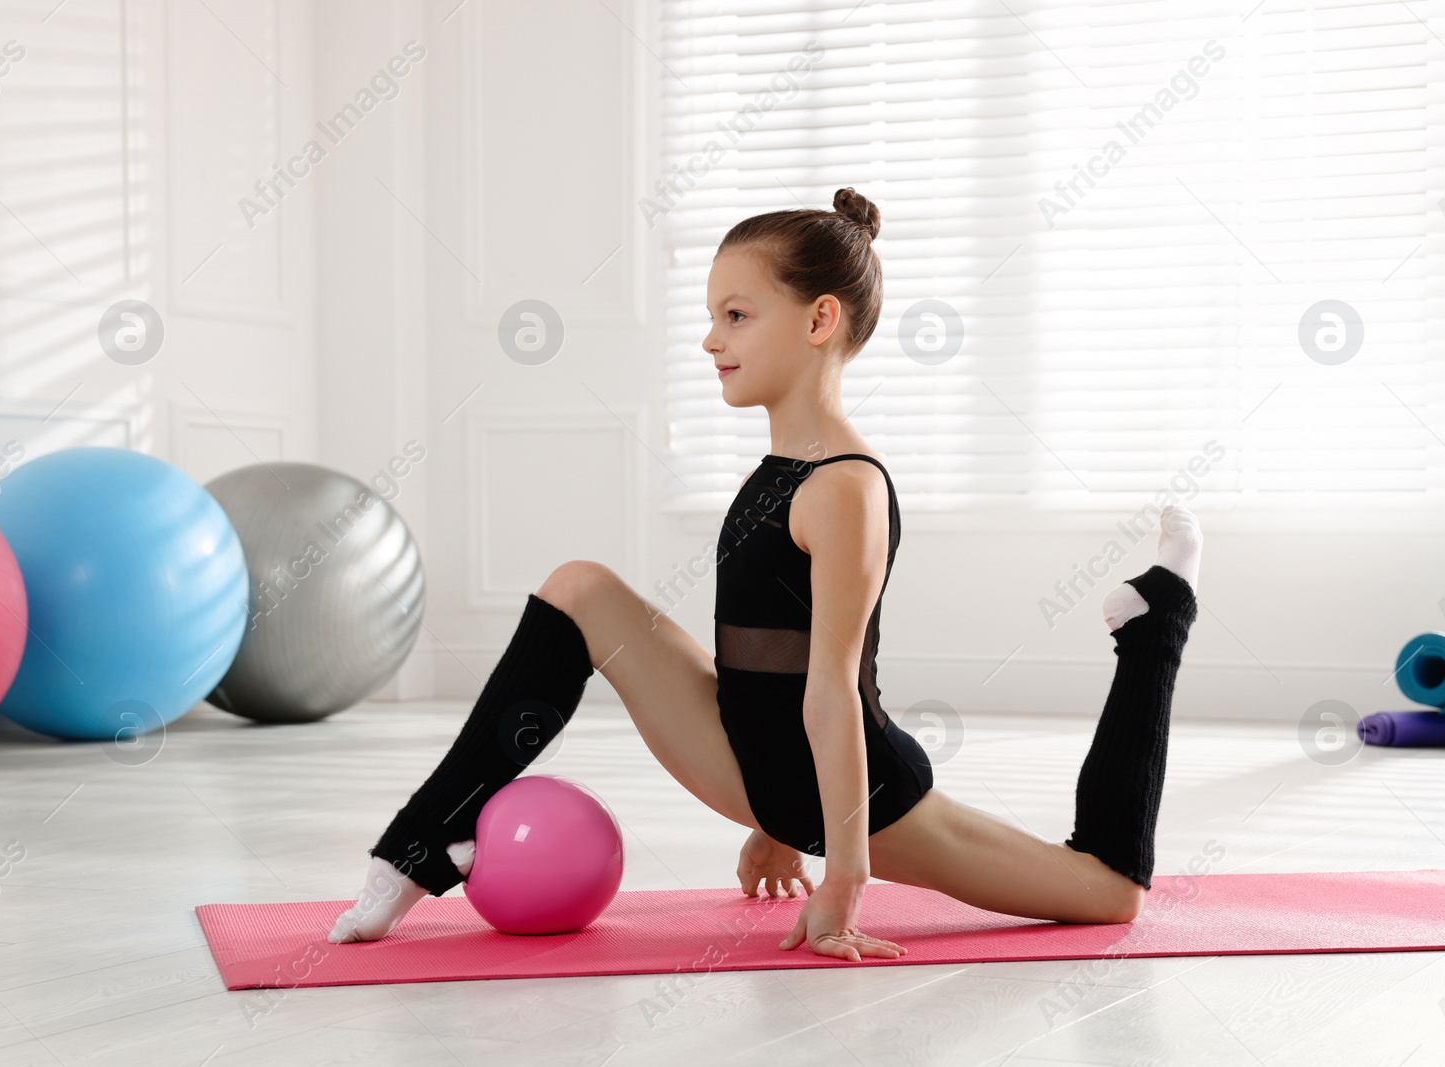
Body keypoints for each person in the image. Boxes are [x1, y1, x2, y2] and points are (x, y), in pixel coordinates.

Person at [328, 188, 1202, 963]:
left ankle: (1157, 618)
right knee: (581, 587)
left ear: (819, 320)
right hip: (760, 760)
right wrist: (769, 826)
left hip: (854, 791)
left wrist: (841, 871)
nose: (712, 340)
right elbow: (767, 658)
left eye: (737, 316)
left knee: (1107, 886)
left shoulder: (846, 488)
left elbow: (833, 690)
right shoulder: (779, 467)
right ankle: (417, 848)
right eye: (713, 317)